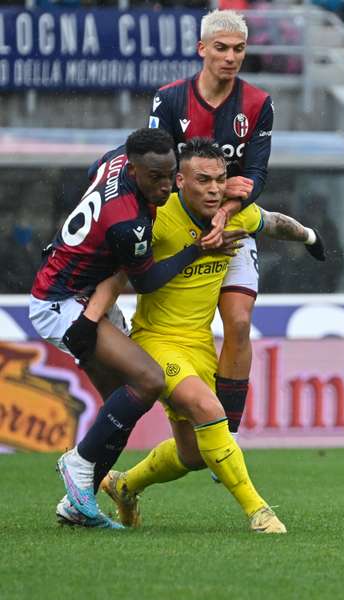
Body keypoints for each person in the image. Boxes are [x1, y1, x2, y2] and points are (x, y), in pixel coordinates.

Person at [99, 138, 324, 534]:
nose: (215, 188)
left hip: (200, 345)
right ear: (180, 180)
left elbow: (272, 222)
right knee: (207, 408)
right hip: (157, 341)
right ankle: (260, 513)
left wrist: (309, 236)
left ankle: (123, 486)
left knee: (193, 454)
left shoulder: (233, 215)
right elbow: (115, 270)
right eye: (203, 180)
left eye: (221, 179)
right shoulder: (156, 216)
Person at [29, 128, 239, 528]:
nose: (164, 186)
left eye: (170, 175)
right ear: (137, 169)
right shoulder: (129, 223)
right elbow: (145, 281)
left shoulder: (115, 160)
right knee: (148, 380)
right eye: (155, 178)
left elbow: (94, 172)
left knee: (120, 402)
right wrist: (197, 250)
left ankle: (77, 505)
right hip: (61, 299)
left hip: (84, 292)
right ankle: (79, 463)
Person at [149, 10, 299, 451]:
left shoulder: (258, 104)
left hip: (232, 227)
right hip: (177, 229)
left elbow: (255, 174)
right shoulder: (170, 100)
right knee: (173, 329)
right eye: (221, 48)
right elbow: (156, 168)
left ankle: (229, 432)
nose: (230, 57)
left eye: (238, 49)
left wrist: (228, 208)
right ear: (202, 49)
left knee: (237, 321)